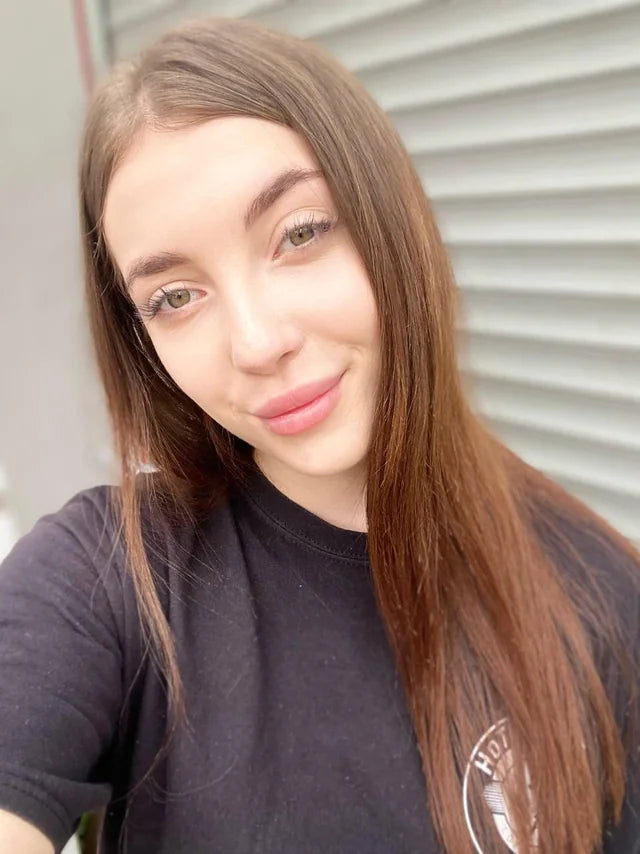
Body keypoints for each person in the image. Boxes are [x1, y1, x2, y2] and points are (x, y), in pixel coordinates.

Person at [0, 16, 638, 854]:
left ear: (390, 216)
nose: (257, 343)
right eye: (174, 297)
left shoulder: (599, 592)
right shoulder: (112, 579)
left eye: (299, 233)